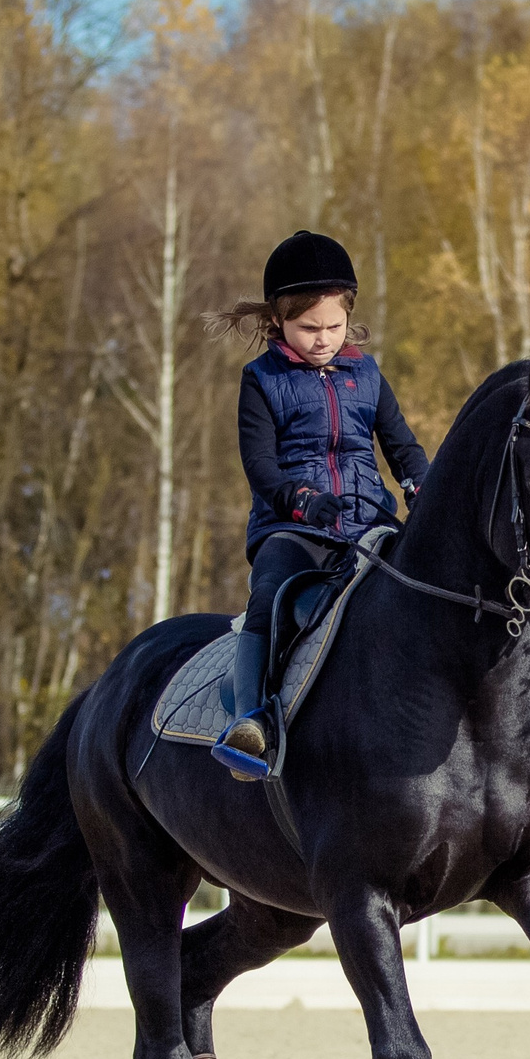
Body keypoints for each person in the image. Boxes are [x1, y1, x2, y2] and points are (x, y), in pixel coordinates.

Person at [204, 231, 430, 781]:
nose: (324, 339)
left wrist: (420, 483)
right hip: (293, 527)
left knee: (443, 582)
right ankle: (250, 717)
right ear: (278, 321)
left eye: (334, 326)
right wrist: (302, 501)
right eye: (309, 328)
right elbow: (259, 465)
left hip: (370, 522)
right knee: (270, 592)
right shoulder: (261, 380)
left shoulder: (368, 375)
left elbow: (400, 444)